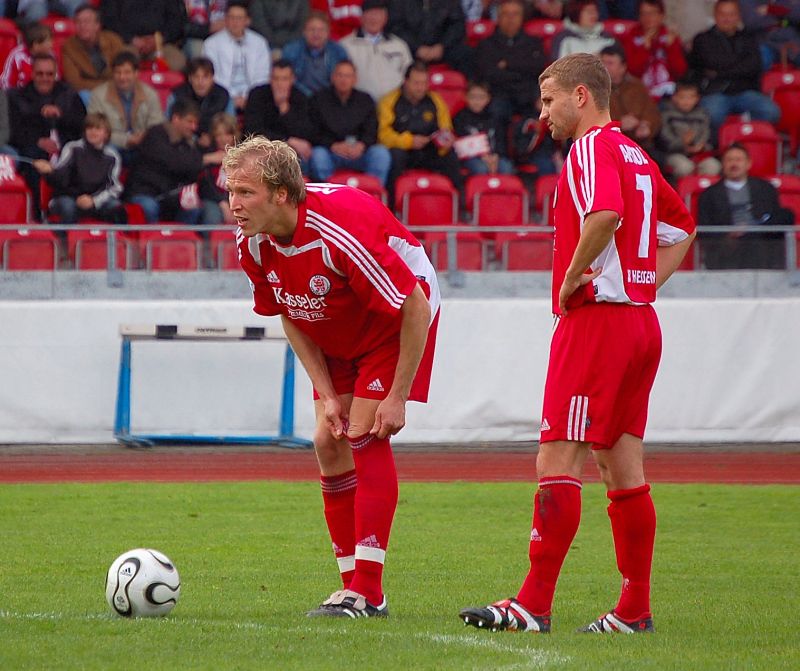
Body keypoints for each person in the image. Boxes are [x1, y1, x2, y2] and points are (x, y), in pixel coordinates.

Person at [459, 52, 696, 635]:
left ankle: (532, 604)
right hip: (639, 324)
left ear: (581, 96)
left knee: (557, 458)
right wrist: (640, 284)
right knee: (622, 468)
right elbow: (682, 229)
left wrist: (571, 277)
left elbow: (605, 213)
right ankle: (633, 610)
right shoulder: (636, 153)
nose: (543, 114)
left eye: (549, 100)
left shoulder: (591, 148)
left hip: (597, 324)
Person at [225, 135, 440, 619]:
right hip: (335, 320)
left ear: (281, 193)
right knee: (327, 439)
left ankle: (369, 591)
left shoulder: (338, 230)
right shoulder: (251, 241)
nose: (234, 205)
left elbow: (414, 307)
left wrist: (397, 396)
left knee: (365, 432)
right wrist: (326, 393)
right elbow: (289, 311)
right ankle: (350, 590)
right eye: (231, 192)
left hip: (395, 320)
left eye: (245, 192)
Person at [687, 0, 781, 141]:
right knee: (712, 114)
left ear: (738, 16)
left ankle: (745, 141)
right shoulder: (702, 39)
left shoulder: (749, 39)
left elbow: (754, 66)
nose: (727, 18)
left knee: (771, 111)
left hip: (745, 92)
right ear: (715, 15)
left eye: (731, 14)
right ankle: (719, 148)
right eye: (722, 14)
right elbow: (712, 62)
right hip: (715, 92)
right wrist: (740, 65)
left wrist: (719, 72)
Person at [8, 54, 86, 217]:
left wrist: (61, 114)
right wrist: (37, 141)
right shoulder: (17, 97)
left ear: (56, 74)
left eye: (49, 74)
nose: (45, 78)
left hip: (66, 148)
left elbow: (83, 125)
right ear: (32, 74)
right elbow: (12, 132)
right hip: (32, 150)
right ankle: (36, 215)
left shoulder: (69, 94)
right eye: (40, 74)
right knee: (33, 160)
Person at [378, 60, 464, 203]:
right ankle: (391, 206)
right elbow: (383, 135)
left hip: (429, 150)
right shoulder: (389, 101)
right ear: (406, 81)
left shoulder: (435, 100)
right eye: (416, 83)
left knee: (451, 156)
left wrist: (446, 141)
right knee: (395, 156)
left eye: (424, 83)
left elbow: (446, 128)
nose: (421, 88)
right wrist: (409, 141)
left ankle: (459, 206)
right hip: (404, 150)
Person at [33, 112, 125, 243]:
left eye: (97, 129)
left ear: (106, 133)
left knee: (116, 207)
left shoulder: (113, 156)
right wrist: (49, 171)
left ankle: (115, 246)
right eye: (89, 128)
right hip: (67, 197)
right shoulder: (73, 148)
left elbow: (114, 187)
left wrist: (93, 200)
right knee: (68, 207)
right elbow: (61, 176)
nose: (93, 132)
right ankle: (64, 247)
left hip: (95, 200)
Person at [124, 98, 220, 224]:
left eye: (195, 123)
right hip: (144, 193)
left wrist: (203, 148)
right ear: (176, 118)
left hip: (169, 197)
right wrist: (207, 158)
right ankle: (152, 237)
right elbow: (174, 162)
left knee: (192, 208)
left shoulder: (187, 144)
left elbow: (192, 170)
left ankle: (183, 237)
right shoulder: (155, 135)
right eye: (190, 122)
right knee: (149, 207)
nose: (194, 127)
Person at [698, 142, 793, 269]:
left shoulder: (766, 189)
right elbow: (704, 230)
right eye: (729, 160)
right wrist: (728, 236)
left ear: (748, 163)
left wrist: (754, 227)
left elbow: (775, 221)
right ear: (723, 164)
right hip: (726, 249)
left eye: (738, 160)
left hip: (760, 246)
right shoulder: (709, 195)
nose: (734, 164)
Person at [309, 60, 391, 186]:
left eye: (348, 76)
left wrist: (362, 145)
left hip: (359, 153)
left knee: (381, 154)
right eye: (340, 75)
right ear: (333, 77)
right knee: (318, 155)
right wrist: (333, 145)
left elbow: (372, 130)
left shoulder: (365, 100)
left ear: (355, 79)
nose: (344, 80)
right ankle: (327, 195)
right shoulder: (318, 99)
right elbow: (313, 131)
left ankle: (373, 194)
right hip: (332, 152)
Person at [475, 0, 548, 121]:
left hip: (528, 95)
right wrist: (521, 68)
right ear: (498, 17)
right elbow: (489, 73)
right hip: (499, 94)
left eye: (515, 14)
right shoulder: (486, 44)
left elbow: (537, 68)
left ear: (522, 17)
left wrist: (507, 64)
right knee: (496, 110)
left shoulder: (533, 43)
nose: (511, 19)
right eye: (506, 14)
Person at [87, 52, 165, 164]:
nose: (122, 77)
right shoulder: (98, 95)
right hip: (113, 144)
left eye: (127, 72)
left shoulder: (150, 94)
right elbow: (95, 130)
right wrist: (126, 140)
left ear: (136, 73)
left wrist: (143, 138)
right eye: (118, 72)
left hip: (142, 144)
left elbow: (156, 127)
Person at [243, 60, 314, 174]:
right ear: (270, 79)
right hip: (262, 148)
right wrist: (288, 140)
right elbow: (253, 130)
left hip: (291, 152)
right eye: (276, 78)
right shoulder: (257, 95)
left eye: (284, 79)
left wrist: (284, 109)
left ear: (292, 79)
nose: (279, 84)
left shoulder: (300, 97)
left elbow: (304, 132)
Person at [202, 1, 271, 112]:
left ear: (247, 21)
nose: (235, 22)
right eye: (231, 18)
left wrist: (248, 96)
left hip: (253, 93)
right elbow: (213, 76)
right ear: (225, 19)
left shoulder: (259, 42)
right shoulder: (211, 44)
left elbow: (263, 75)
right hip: (223, 93)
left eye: (239, 18)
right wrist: (232, 96)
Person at [339, 0, 413, 103]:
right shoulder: (345, 45)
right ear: (361, 17)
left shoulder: (399, 45)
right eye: (370, 14)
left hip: (394, 106)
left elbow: (410, 77)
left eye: (378, 14)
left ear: (385, 17)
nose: (374, 18)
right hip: (360, 106)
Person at [601, 45, 662, 159]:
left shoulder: (637, 86)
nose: (604, 67)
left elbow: (652, 113)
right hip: (608, 145)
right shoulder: (595, 89)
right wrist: (619, 124)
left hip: (639, 144)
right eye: (602, 63)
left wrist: (646, 125)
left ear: (623, 67)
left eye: (610, 63)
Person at [387, 0, 476, 75]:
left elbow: (457, 25)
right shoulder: (399, 2)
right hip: (410, 50)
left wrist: (442, 46)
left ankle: (470, 87)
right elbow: (395, 27)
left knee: (466, 53)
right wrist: (417, 48)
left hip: (442, 49)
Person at [621, 0, 687, 99]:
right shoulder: (631, 37)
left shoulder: (670, 36)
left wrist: (671, 48)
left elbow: (680, 71)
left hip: (669, 94)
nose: (648, 18)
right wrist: (644, 49)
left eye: (653, 13)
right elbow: (631, 72)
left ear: (662, 16)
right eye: (643, 13)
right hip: (640, 93)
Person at [100, 0, 188, 72]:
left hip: (159, 43)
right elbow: (109, 20)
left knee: (178, 63)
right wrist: (132, 39)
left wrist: (159, 38)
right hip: (127, 43)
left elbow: (176, 20)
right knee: (123, 66)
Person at [167, 57, 235, 150]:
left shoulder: (223, 96)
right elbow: (170, 124)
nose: (201, 82)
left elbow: (230, 126)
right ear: (190, 78)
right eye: (196, 77)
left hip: (215, 144)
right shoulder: (177, 95)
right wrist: (194, 139)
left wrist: (211, 138)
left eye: (205, 77)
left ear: (212, 78)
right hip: (183, 144)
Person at [61, 4, 125, 100]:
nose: (82, 26)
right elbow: (75, 82)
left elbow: (124, 70)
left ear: (97, 25)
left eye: (87, 22)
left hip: (118, 89)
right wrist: (106, 87)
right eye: (78, 22)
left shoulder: (113, 40)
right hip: (90, 93)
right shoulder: (69, 47)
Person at [659, 79, 721, 179]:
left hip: (699, 153)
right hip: (675, 153)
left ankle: (703, 189)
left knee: (713, 166)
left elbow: (706, 134)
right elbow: (664, 139)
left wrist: (701, 146)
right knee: (684, 167)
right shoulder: (666, 115)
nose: (686, 101)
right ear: (674, 98)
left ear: (697, 99)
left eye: (691, 97)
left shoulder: (702, 114)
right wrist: (682, 143)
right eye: (682, 97)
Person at [452, 80, 515, 176]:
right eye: (473, 97)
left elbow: (500, 140)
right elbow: (461, 143)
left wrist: (496, 156)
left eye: (481, 97)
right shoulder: (459, 118)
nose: (477, 101)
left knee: (506, 167)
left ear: (488, 99)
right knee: (481, 168)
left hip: (493, 156)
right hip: (471, 157)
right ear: (465, 97)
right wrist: (483, 157)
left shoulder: (494, 118)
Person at [282, 11, 349, 97]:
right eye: (311, 29)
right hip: (299, 97)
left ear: (328, 32)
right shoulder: (291, 50)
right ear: (304, 32)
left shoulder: (338, 51)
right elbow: (286, 79)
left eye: (321, 30)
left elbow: (343, 80)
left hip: (329, 98)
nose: (316, 34)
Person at [199, 111, 238, 227]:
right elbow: (206, 185)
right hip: (213, 200)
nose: (223, 139)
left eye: (227, 134)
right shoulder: (208, 155)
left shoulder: (243, 157)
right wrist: (223, 204)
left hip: (238, 199)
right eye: (219, 135)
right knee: (212, 215)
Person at [551, 0, 618, 60]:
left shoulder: (607, 37)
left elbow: (616, 63)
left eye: (595, 10)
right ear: (577, 13)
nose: (593, 14)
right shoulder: (563, 38)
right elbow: (558, 67)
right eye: (588, 11)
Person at [1, 22, 53, 90]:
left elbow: (55, 80)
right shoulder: (17, 55)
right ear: (36, 45)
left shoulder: (51, 56)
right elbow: (6, 82)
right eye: (48, 41)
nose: (51, 44)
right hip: (19, 94)